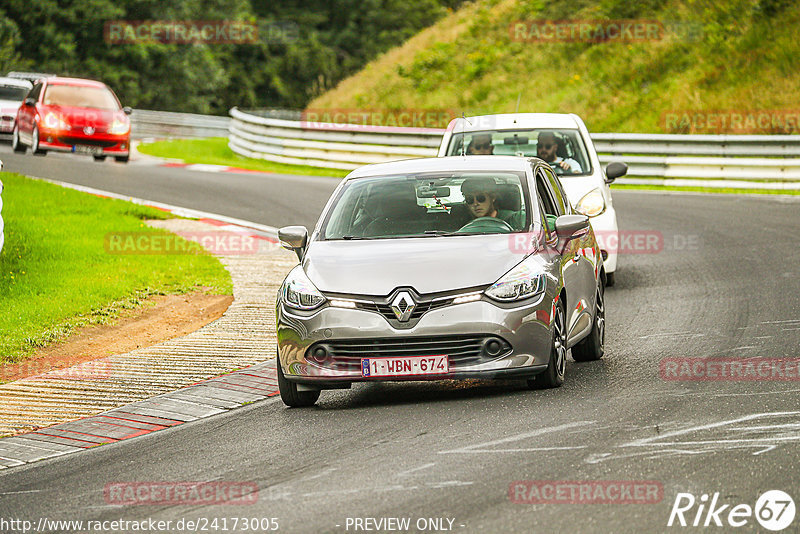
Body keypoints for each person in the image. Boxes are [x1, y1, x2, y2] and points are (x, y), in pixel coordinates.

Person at [460, 177, 525, 229]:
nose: (475, 204)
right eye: (470, 199)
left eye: (481, 198)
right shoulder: (460, 225)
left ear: (492, 197)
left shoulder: (515, 219)